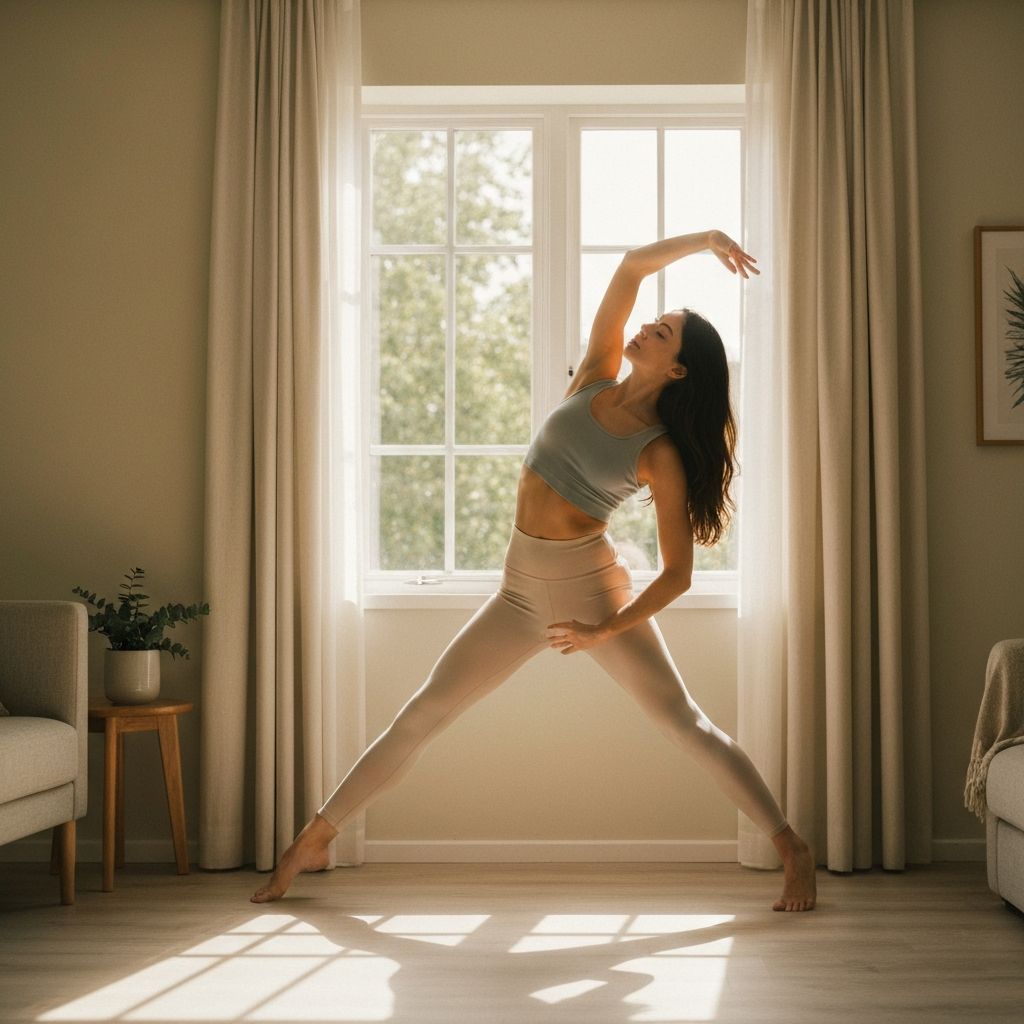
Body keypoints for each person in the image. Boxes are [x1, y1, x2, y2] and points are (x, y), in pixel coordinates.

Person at [251, 228, 817, 912]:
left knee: (682, 723)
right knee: (425, 710)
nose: (645, 327)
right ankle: (312, 839)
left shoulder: (658, 453)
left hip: (591, 587)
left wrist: (606, 629)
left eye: (663, 332)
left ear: (678, 371)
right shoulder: (593, 377)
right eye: (655, 321)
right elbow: (632, 264)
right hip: (518, 592)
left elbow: (676, 576)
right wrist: (706, 241)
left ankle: (792, 848)